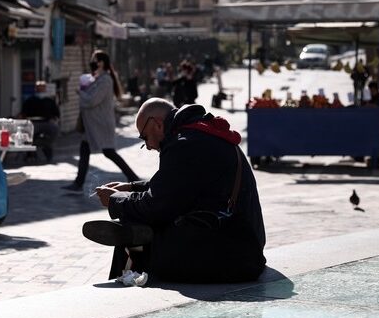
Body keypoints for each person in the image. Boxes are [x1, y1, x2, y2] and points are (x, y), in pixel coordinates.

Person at [82, 98, 266, 283]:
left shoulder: (184, 144)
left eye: (144, 137)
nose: (148, 146)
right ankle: (132, 255)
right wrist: (131, 187)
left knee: (136, 230)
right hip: (244, 240)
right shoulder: (200, 132)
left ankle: (123, 290)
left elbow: (157, 205)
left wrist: (115, 201)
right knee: (137, 224)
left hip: (231, 252)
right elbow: (179, 185)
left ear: (157, 124)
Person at [62, 50, 139, 191]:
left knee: (109, 151)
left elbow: (92, 100)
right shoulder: (98, 79)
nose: (92, 62)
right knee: (85, 148)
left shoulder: (106, 80)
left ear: (102, 62)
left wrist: (81, 93)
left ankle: (133, 178)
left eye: (94, 59)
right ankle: (78, 182)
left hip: (101, 124)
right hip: (92, 124)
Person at [19, 81, 60, 162]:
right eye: (39, 87)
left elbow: (56, 114)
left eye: (42, 87)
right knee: (29, 132)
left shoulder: (49, 100)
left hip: (46, 122)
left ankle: (46, 146)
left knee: (54, 129)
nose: (40, 88)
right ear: (35, 88)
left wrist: (54, 119)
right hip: (33, 123)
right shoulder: (30, 100)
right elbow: (23, 113)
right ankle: (30, 152)